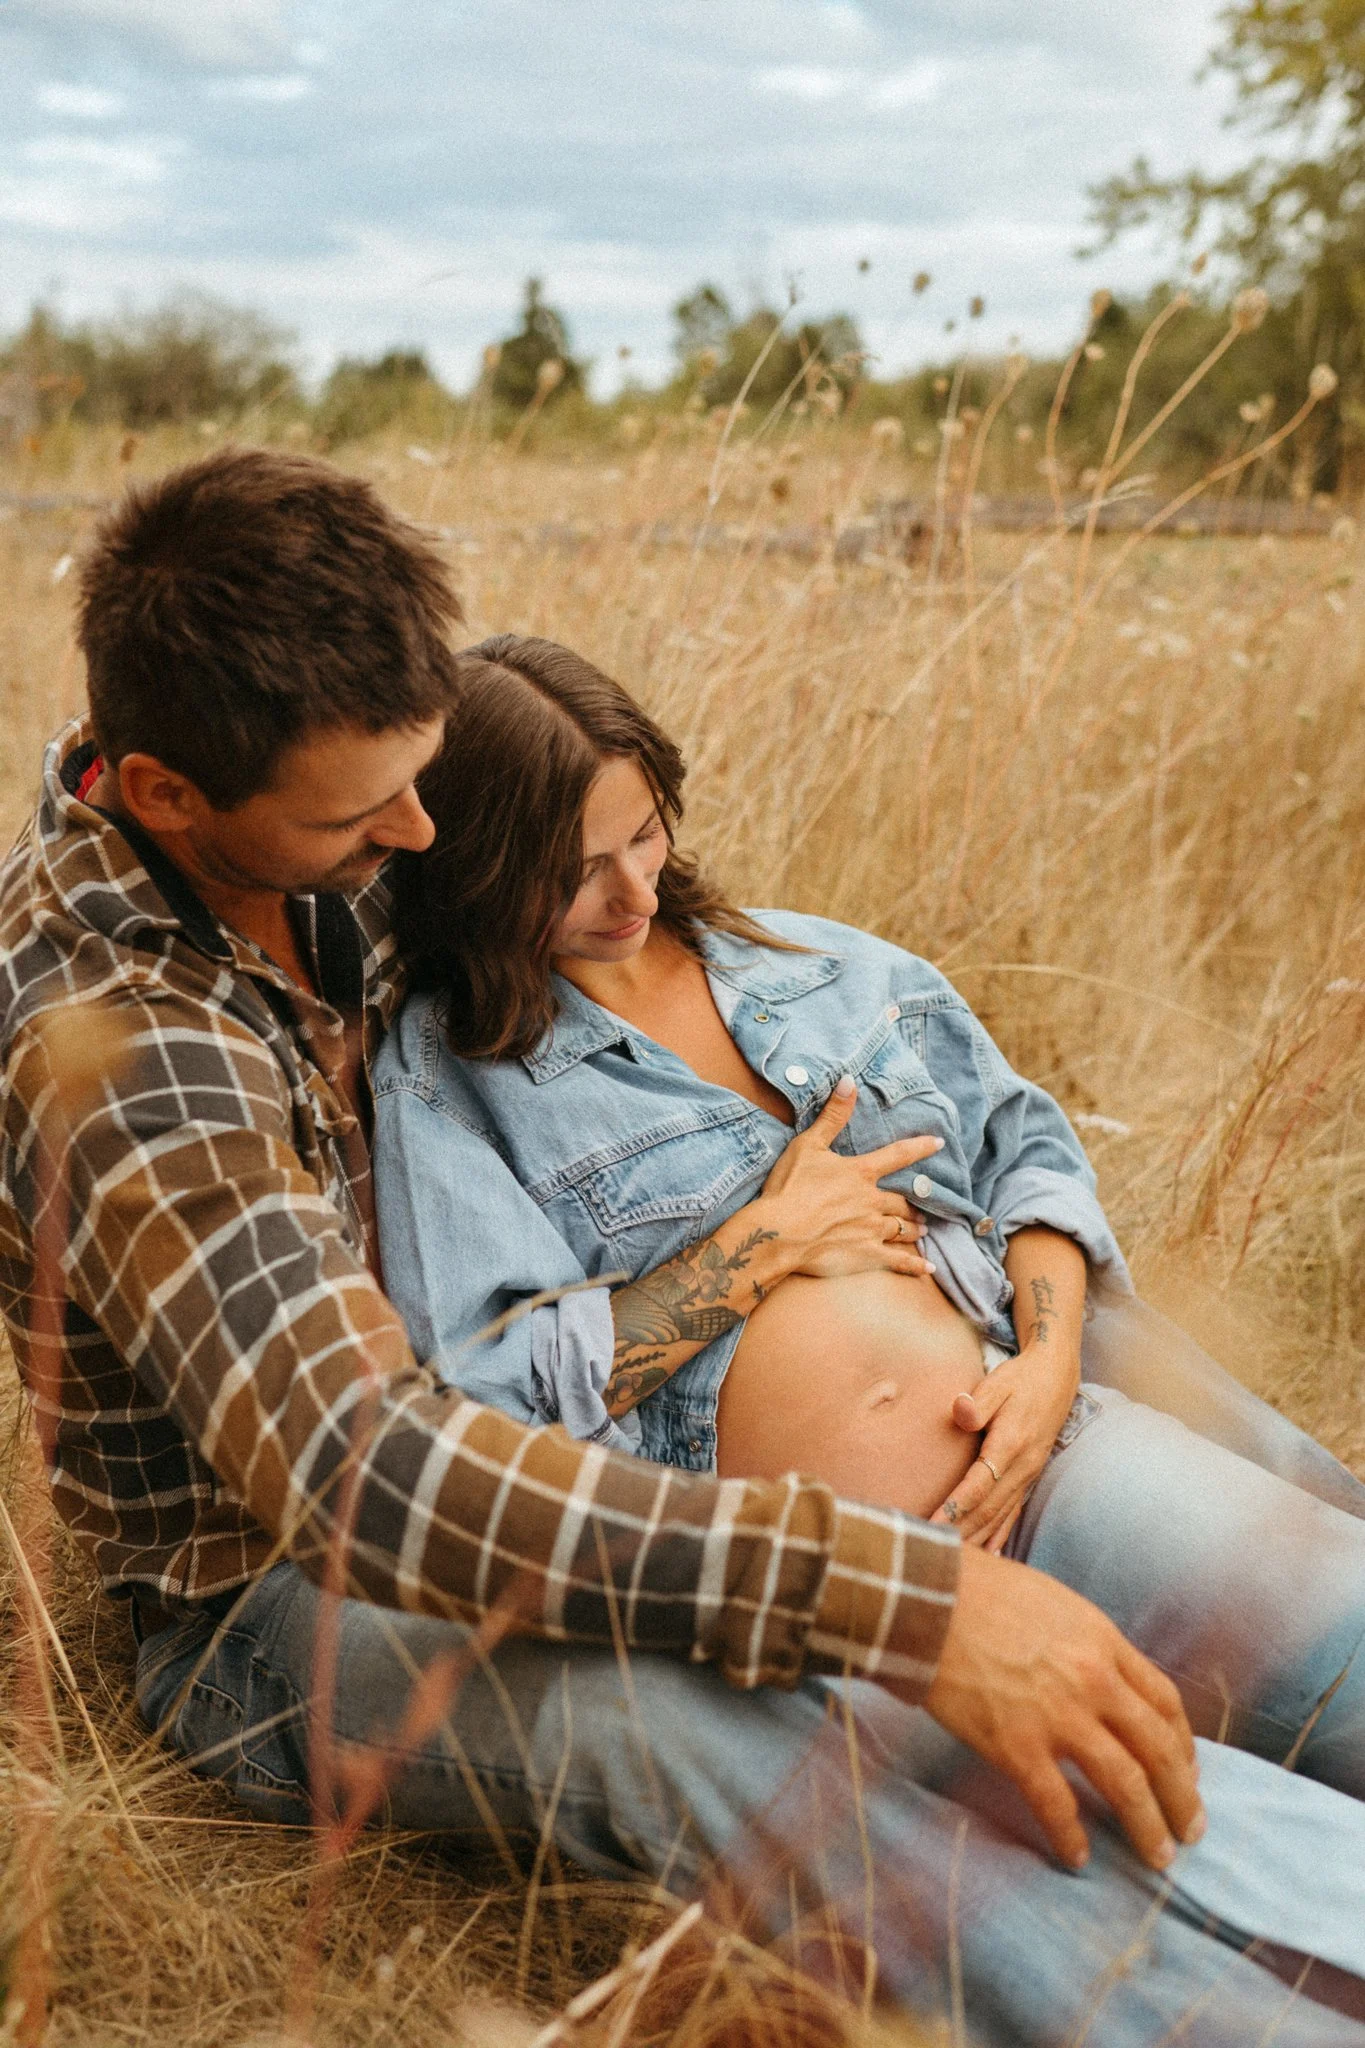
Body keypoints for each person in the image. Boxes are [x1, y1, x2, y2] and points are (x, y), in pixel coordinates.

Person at [2, 450, 1364, 2047]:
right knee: (720, 1714)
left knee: (1252, 1567)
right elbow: (363, 1477)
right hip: (279, 1593)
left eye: (423, 779)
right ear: (166, 794)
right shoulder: (125, 1051)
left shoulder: (312, 819)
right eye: (368, 816)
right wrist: (888, 1599)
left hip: (697, 1441)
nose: (421, 835)